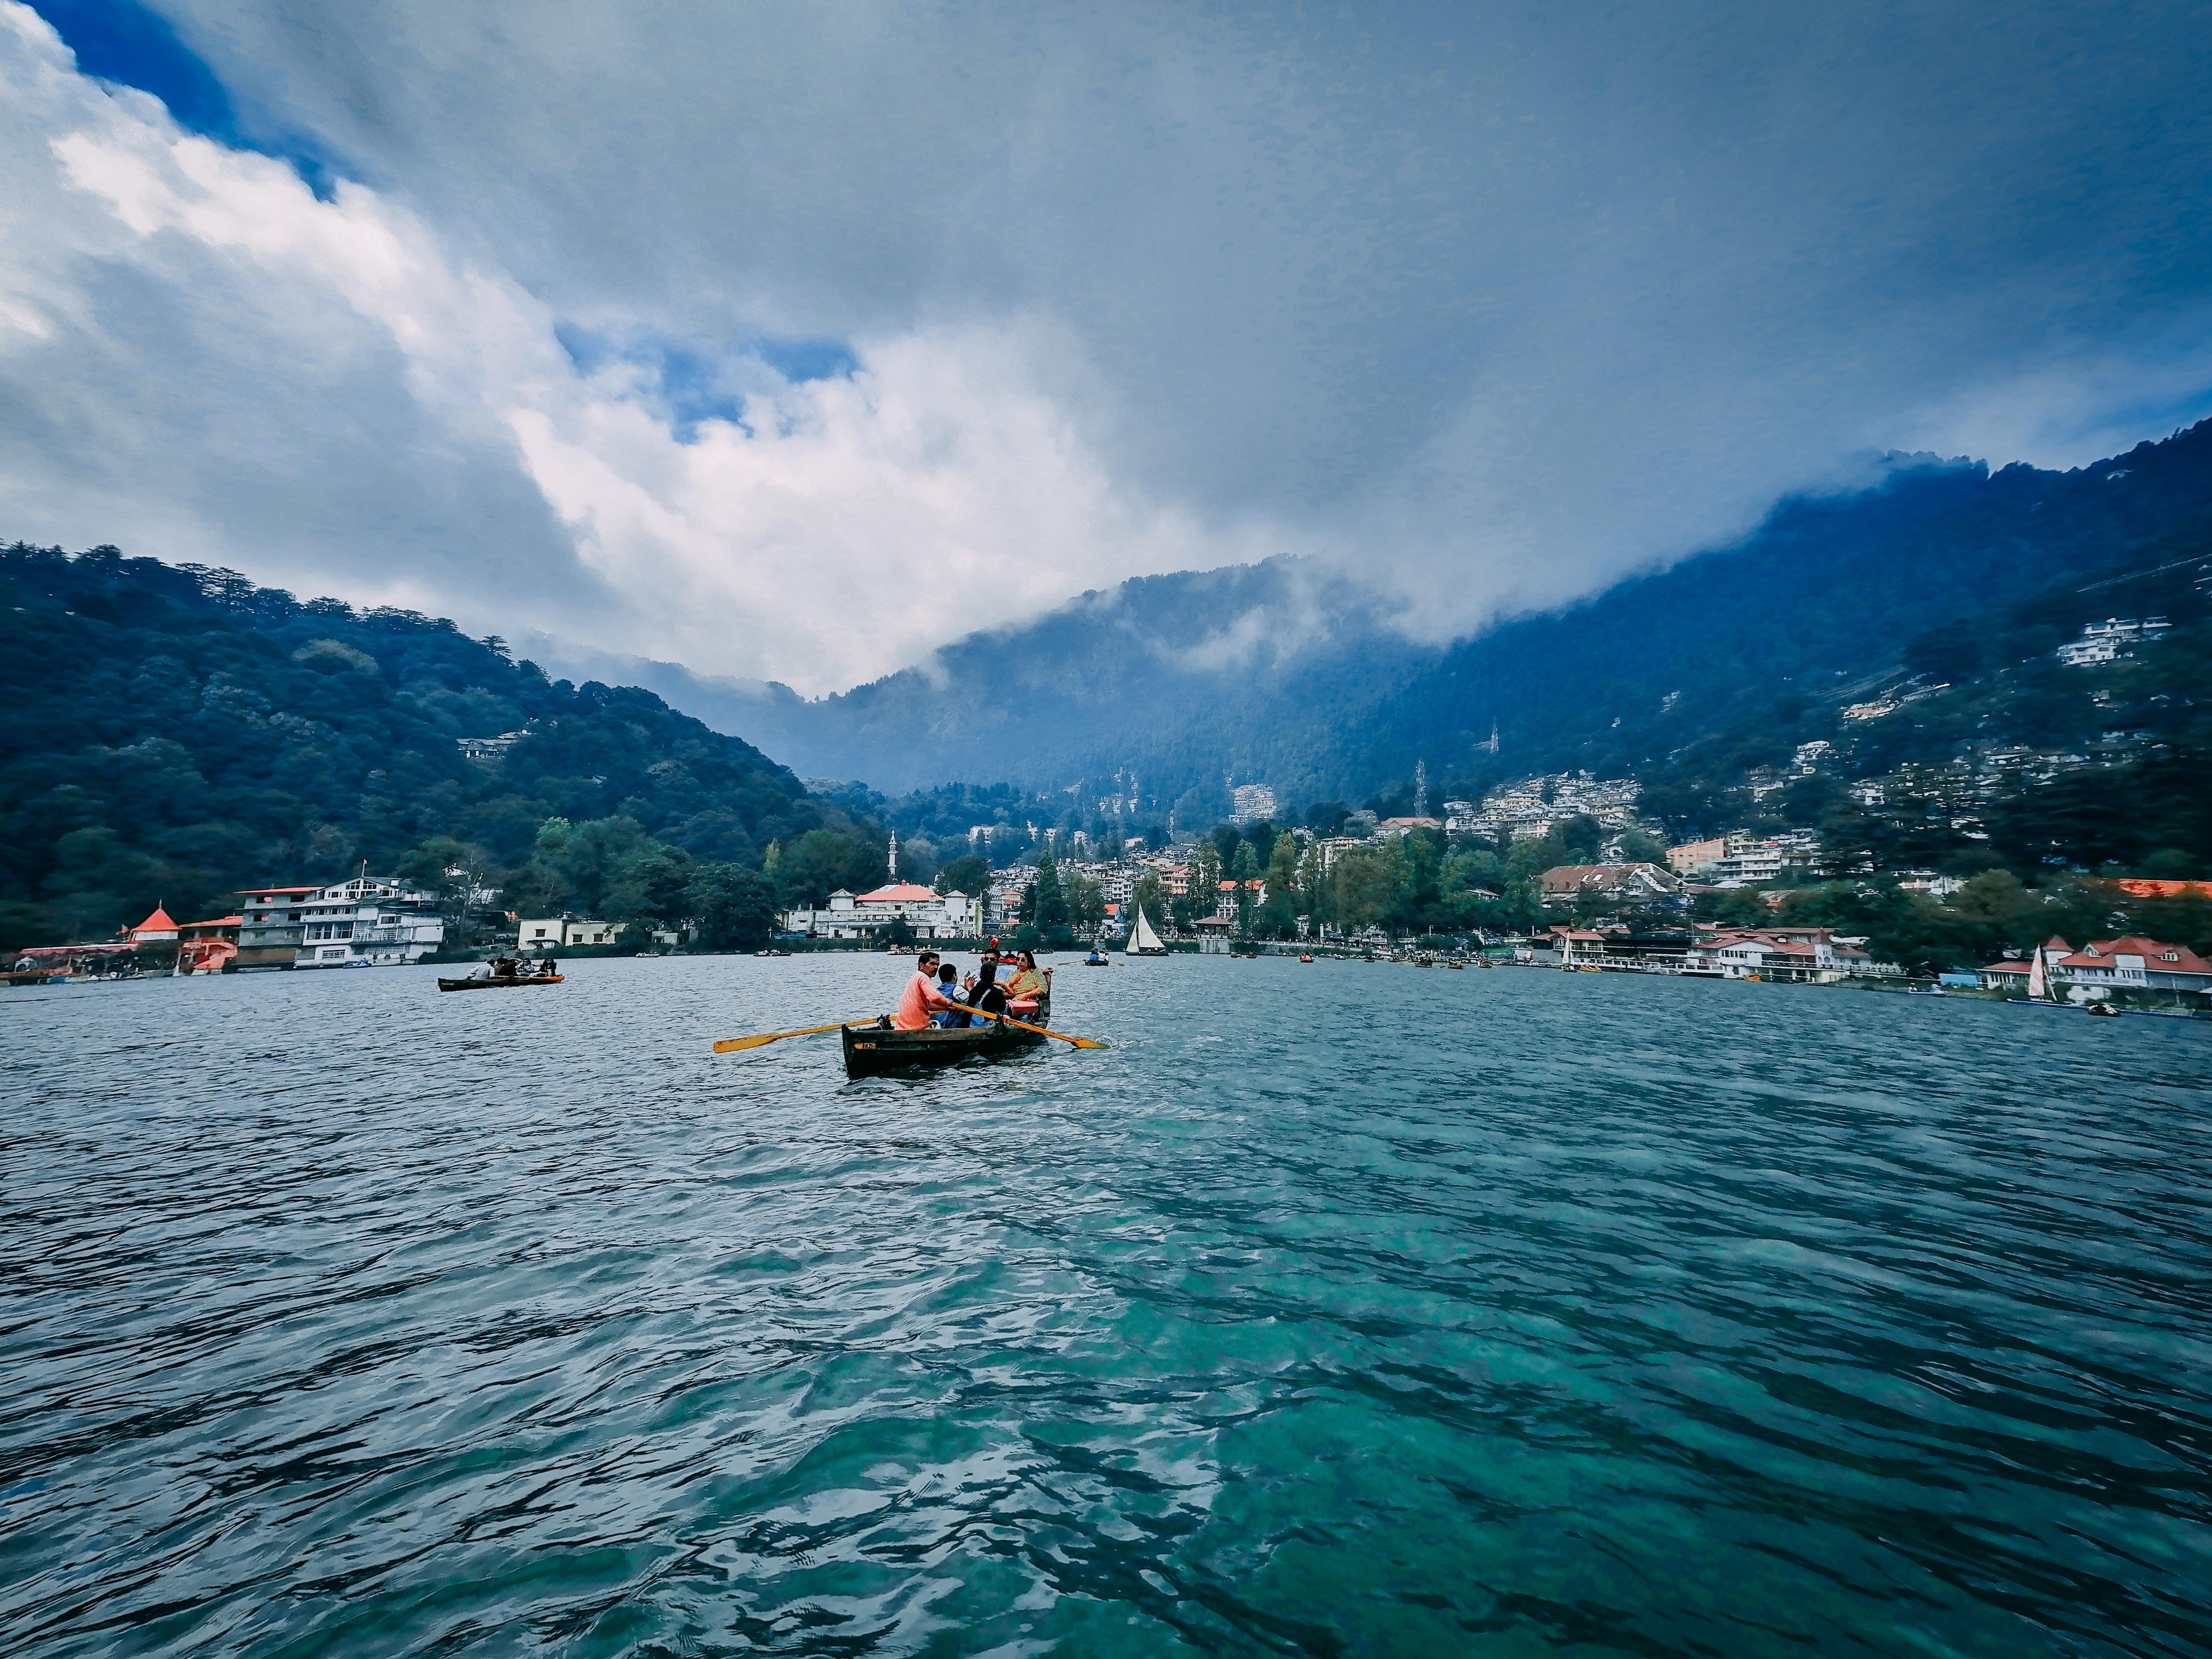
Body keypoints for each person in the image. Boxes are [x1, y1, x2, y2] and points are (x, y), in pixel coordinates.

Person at [894, 950, 961, 1030]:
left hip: (904, 1027)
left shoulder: (916, 978)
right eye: (932, 964)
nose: (936, 967)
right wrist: (948, 1002)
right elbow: (935, 997)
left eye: (937, 965)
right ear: (922, 965)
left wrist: (946, 1009)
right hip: (916, 1027)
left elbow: (928, 1006)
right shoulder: (923, 978)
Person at [1005, 950, 1048, 1015]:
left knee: (1026, 1015)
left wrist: (1027, 995)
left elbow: (1043, 988)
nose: (1019, 962)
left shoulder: (1036, 973)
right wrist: (1012, 983)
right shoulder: (1013, 974)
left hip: (1029, 1002)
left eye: (1023, 960)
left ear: (1029, 962)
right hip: (1014, 1002)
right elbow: (1007, 992)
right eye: (1018, 959)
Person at [930, 961, 964, 1026]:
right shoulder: (957, 990)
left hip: (937, 1025)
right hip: (950, 1025)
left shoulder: (936, 991)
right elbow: (972, 1001)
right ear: (954, 976)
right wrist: (970, 988)